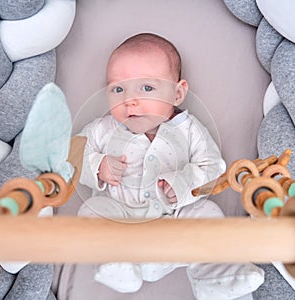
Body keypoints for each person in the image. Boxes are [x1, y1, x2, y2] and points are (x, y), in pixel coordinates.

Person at [78, 33, 264, 298]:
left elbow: (212, 166)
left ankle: (213, 277)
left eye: (147, 88)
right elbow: (71, 156)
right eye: (118, 89)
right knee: (92, 209)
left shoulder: (189, 131)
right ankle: (115, 261)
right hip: (122, 221)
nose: (130, 100)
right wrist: (97, 166)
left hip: (175, 224)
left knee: (208, 213)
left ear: (177, 93)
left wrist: (184, 183)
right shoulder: (104, 129)